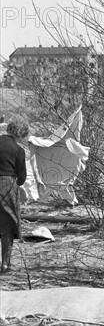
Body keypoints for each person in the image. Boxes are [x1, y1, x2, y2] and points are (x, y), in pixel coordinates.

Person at [0, 117, 30, 273]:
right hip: (7, 186)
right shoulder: (18, 150)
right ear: (20, 135)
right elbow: (22, 176)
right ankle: (5, 264)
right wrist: (17, 186)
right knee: (7, 225)